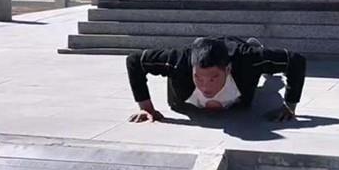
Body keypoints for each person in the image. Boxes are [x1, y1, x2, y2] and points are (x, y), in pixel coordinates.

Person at [126, 36, 306, 124]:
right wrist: (146, 108)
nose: (205, 86)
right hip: (197, 52)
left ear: (227, 70)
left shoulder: (248, 60)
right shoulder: (178, 62)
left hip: (236, 49)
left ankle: (254, 44)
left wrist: (289, 106)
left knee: (268, 80)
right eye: (198, 77)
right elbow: (135, 61)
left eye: (213, 79)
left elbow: (295, 60)